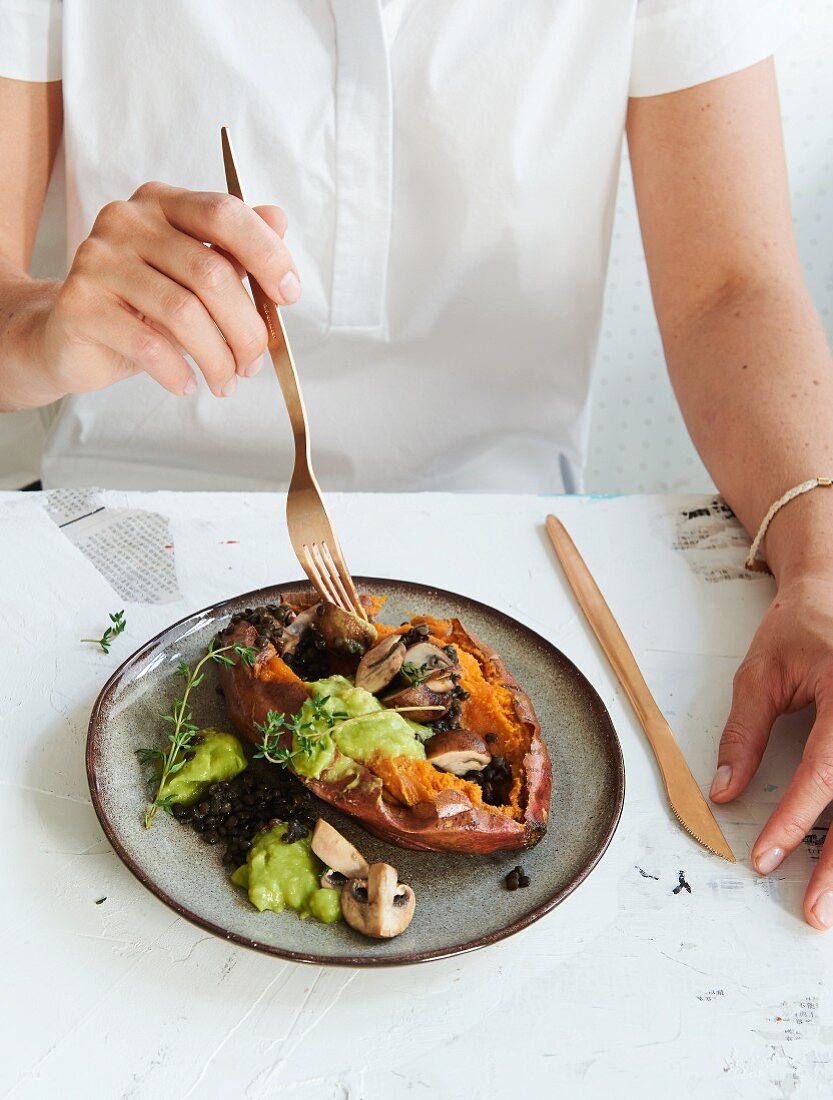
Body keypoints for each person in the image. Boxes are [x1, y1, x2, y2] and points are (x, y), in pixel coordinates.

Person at [2, 1, 832, 929]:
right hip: (104, 555)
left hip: (523, 549)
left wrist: (821, 560)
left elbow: (733, 288)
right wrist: (34, 331)